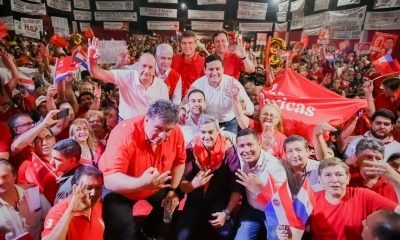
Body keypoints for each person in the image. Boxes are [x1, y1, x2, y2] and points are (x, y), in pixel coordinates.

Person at [99, 99, 186, 240]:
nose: (163, 136)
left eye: (168, 130)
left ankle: (147, 232)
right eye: (158, 128)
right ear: (146, 119)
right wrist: (142, 183)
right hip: (121, 188)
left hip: (154, 184)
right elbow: (110, 179)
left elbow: (179, 162)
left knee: (172, 203)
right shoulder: (124, 134)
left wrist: (172, 191)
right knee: (124, 231)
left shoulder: (176, 132)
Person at [177, 114, 243, 240]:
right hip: (194, 201)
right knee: (182, 237)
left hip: (219, 200)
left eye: (211, 132)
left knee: (225, 232)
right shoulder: (190, 149)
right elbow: (182, 183)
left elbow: (237, 187)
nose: (207, 136)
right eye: (203, 132)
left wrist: (226, 213)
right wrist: (193, 185)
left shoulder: (229, 151)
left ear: (218, 131)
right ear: (198, 132)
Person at [307, 158, 398, 240]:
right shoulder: (310, 199)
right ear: (319, 179)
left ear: (348, 178)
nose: (334, 179)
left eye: (339, 175)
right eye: (328, 175)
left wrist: (395, 178)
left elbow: (398, 211)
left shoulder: (364, 195)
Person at [87, 37, 169, 120]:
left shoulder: (162, 87)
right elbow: (97, 73)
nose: (146, 70)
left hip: (149, 125)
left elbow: (164, 112)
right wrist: (91, 59)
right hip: (126, 124)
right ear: (137, 66)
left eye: (150, 67)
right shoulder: (126, 76)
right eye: (144, 66)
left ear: (155, 69)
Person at [234, 128, 287, 240]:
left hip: (274, 212)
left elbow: (281, 203)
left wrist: (260, 191)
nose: (246, 150)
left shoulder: (274, 167)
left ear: (259, 143)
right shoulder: (240, 158)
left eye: (250, 144)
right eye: (242, 146)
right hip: (251, 210)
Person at [189, 54, 254, 134]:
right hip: (207, 123)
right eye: (211, 69)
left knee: (229, 146)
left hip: (229, 123)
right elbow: (186, 103)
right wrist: (183, 110)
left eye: (218, 69)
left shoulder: (232, 83)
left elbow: (250, 109)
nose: (214, 72)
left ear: (223, 69)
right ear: (205, 70)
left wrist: (237, 100)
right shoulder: (198, 84)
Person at [41, 165, 104, 240]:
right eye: (89, 188)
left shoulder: (98, 204)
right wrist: (70, 212)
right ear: (75, 188)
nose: (93, 193)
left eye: (98, 188)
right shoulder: (58, 212)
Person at [0, 160, 51, 240]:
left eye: (4, 177)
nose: (1, 182)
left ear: (14, 176)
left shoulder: (32, 191)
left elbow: (50, 217)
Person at [349, 138, 400, 203]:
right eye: (368, 157)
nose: (374, 162)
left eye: (378, 158)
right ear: (356, 159)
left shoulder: (394, 182)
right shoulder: (346, 180)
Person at [17, 128, 59, 204]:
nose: (44, 143)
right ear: (32, 144)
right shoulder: (27, 165)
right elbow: (28, 199)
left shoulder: (64, 156)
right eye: (38, 140)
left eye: (48, 137)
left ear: (54, 138)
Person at [171, 30, 205, 97]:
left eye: (190, 43)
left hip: (193, 100)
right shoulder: (175, 60)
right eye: (184, 43)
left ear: (195, 44)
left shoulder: (203, 62)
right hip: (175, 99)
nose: (187, 46)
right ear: (180, 44)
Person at [50, 139, 82, 204]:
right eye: (52, 157)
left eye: (56, 159)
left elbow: (60, 213)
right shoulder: (88, 171)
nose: (51, 162)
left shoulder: (65, 190)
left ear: (72, 160)